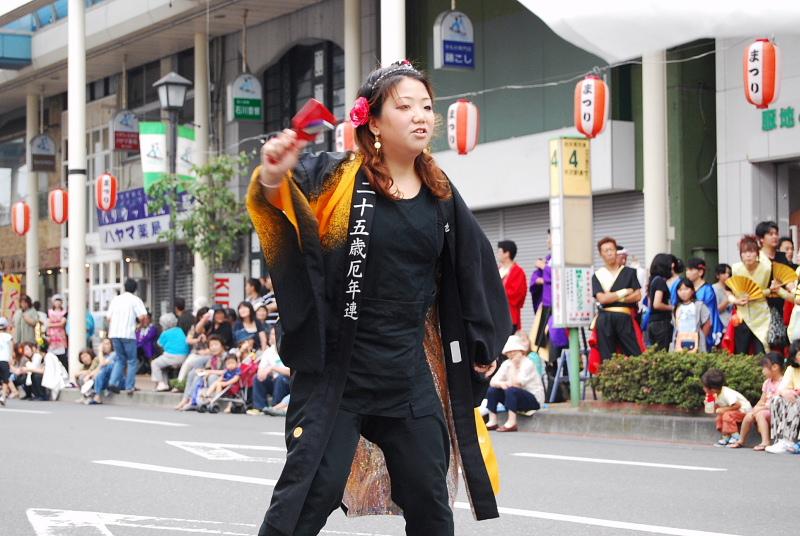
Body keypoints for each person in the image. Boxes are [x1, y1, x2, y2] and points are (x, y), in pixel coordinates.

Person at [248, 60, 510, 536]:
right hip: (339, 370)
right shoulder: (336, 177)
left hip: (406, 372)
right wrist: (271, 177)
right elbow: (280, 203)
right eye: (404, 107)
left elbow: (474, 268)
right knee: (311, 493)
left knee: (431, 502)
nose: (420, 116)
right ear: (372, 122)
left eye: (426, 106)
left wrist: (482, 342)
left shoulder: (440, 194)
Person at [592, 237, 643, 362]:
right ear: (601, 254)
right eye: (606, 250)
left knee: (634, 353)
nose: (609, 253)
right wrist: (624, 292)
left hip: (624, 316)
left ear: (616, 251)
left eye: (611, 249)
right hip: (605, 318)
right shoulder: (597, 275)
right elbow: (602, 299)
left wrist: (613, 298)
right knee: (607, 356)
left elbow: (637, 295)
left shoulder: (629, 272)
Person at [484, 335, 544, 433]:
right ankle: (492, 420)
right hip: (514, 397)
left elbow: (517, 383)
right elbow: (493, 381)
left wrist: (514, 367)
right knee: (492, 390)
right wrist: (501, 384)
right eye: (509, 352)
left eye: (514, 351)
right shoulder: (506, 364)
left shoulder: (528, 363)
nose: (512, 354)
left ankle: (512, 422)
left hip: (533, 399)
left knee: (511, 390)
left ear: (521, 351)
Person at [729, 352, 784, 450]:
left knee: (760, 414)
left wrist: (760, 409)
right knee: (749, 416)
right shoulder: (767, 382)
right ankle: (741, 440)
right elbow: (762, 400)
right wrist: (756, 408)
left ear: (775, 367)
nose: (763, 371)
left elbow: (777, 403)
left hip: (776, 411)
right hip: (765, 409)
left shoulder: (783, 382)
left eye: (764, 368)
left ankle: (765, 442)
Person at [728, 235, 773, 354]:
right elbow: (729, 292)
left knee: (762, 350)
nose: (748, 255)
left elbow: (772, 290)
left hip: (761, 314)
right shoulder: (736, 268)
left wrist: (761, 293)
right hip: (742, 314)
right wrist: (735, 301)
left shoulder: (766, 268)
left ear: (757, 253)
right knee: (741, 352)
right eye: (744, 252)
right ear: (741, 254)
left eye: (751, 251)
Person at [529, 229, 568, 364]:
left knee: (557, 341)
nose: (548, 241)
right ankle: (551, 370)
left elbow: (560, 276)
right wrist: (543, 278)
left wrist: (544, 268)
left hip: (559, 307)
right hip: (546, 306)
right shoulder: (549, 258)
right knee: (543, 343)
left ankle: (563, 372)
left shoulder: (563, 258)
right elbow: (535, 277)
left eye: (549, 238)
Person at [106, 279, 148, 394]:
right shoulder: (135, 300)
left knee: (120, 360)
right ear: (135, 289)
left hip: (114, 334)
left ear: (124, 287)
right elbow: (143, 317)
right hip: (128, 334)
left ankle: (112, 382)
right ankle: (129, 386)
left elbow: (109, 318)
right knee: (132, 361)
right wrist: (140, 326)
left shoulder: (116, 299)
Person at [674, 258, 724, 349]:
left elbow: (709, 315)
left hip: (702, 331)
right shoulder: (686, 287)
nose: (687, 272)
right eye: (687, 270)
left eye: (691, 270)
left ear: (700, 272)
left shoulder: (707, 290)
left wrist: (701, 337)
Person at [702, 368, 752, 447]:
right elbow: (712, 409)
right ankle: (726, 436)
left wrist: (723, 409)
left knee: (726, 415)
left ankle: (735, 436)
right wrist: (709, 404)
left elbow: (737, 405)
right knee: (719, 418)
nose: (703, 388)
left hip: (743, 410)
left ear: (713, 389)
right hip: (733, 411)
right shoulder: (713, 395)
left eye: (705, 387)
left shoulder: (726, 393)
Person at [765, 340, 800, 454]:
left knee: (796, 401)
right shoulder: (791, 369)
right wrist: (786, 393)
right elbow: (781, 389)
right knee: (776, 400)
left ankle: (788, 440)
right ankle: (779, 440)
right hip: (794, 399)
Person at [176, 334, 227, 411]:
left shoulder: (227, 356)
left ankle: (194, 401)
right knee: (193, 373)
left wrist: (209, 372)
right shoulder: (213, 358)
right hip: (212, 378)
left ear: (222, 345)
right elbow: (208, 368)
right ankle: (186, 399)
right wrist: (202, 370)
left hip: (223, 381)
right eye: (211, 346)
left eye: (216, 345)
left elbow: (227, 371)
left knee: (211, 376)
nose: (213, 347)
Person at [150, 313, 190, 392]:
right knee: (162, 365)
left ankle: (161, 384)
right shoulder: (180, 330)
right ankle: (165, 383)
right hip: (184, 356)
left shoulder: (165, 333)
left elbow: (159, 344)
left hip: (172, 356)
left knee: (154, 363)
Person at [670, 279, 711, 353]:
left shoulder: (699, 305)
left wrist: (701, 337)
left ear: (692, 290)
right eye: (680, 290)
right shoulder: (676, 307)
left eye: (686, 289)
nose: (683, 292)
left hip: (696, 339)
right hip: (680, 340)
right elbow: (675, 326)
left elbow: (707, 324)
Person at [176, 306, 211, 386]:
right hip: (196, 352)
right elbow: (188, 340)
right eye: (203, 317)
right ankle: (179, 384)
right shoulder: (194, 327)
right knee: (187, 364)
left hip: (209, 352)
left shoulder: (212, 326)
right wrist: (198, 340)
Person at [646, 253, 674, 350]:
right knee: (662, 351)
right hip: (661, 323)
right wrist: (672, 307)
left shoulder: (652, 280)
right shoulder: (660, 281)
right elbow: (657, 304)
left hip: (652, 323)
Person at [498, 240, 527, 332]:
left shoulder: (518, 272)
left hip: (510, 315)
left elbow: (516, 294)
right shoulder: (497, 269)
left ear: (507, 253)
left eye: (499, 251)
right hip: (495, 314)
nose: (498, 254)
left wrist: (497, 292)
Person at [87, 338, 116, 405]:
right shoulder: (104, 356)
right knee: (86, 377)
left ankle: (97, 396)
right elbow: (99, 367)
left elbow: (103, 364)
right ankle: (89, 395)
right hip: (105, 380)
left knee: (106, 368)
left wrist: (100, 351)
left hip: (115, 382)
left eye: (107, 344)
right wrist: (89, 375)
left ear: (111, 345)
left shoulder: (114, 354)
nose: (105, 346)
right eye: (103, 344)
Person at [46, 294, 68, 372]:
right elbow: (48, 323)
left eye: (59, 301)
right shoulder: (49, 312)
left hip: (61, 336)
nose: (57, 303)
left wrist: (52, 324)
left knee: (62, 356)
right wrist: (57, 324)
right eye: (56, 301)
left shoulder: (64, 312)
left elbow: (62, 324)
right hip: (51, 336)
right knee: (51, 356)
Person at [712, 264, 733, 332]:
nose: (727, 275)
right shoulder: (713, 289)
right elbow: (715, 310)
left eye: (729, 273)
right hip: (720, 327)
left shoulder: (732, 288)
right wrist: (728, 299)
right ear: (717, 275)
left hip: (732, 325)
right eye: (724, 273)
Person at [0, 317, 13, 406]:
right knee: (5, 379)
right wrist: (11, 357)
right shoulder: (8, 336)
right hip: (4, 360)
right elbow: (11, 348)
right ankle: (3, 396)